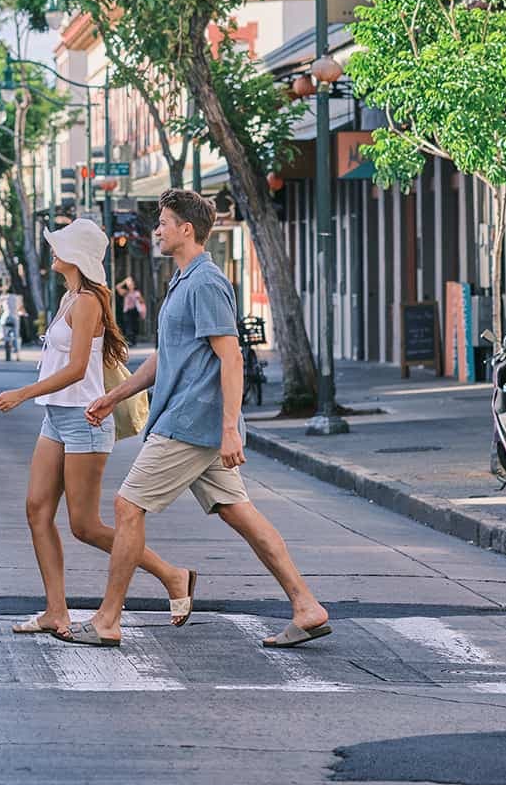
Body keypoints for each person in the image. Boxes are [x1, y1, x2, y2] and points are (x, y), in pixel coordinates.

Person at [71, 190, 331, 650]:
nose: (157, 231)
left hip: (192, 422)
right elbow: (167, 357)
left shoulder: (206, 283)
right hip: (194, 422)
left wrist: (231, 428)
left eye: (164, 223)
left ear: (185, 230)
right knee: (240, 513)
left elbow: (230, 358)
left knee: (128, 507)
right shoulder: (182, 281)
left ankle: (108, 619)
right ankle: (306, 606)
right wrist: (116, 394)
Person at [0, 218, 196, 639]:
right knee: (36, 510)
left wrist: (23, 393)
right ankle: (55, 612)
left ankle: (172, 575)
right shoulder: (69, 297)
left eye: (59, 246)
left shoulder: (87, 302)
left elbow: (77, 368)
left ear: (76, 256)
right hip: (56, 419)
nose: (52, 252)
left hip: (85, 420)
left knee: (84, 525)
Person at [0, 284, 25, 359]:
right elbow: (21, 309)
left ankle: (1, 334)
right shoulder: (18, 298)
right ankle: (17, 354)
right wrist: (22, 313)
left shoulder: (2, 297)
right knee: (16, 336)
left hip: (5, 317)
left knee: (1, 323)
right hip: (15, 317)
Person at [119, 278, 147, 347]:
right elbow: (118, 287)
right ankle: (129, 341)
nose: (130, 286)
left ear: (134, 285)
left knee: (134, 326)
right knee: (128, 326)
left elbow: (142, 301)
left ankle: (133, 341)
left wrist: (139, 299)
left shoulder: (137, 293)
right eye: (129, 285)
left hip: (134, 311)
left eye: (131, 285)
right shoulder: (126, 292)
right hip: (127, 311)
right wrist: (125, 281)